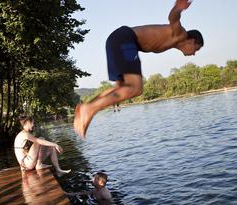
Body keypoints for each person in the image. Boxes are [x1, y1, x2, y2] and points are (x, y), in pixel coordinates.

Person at [74, 0, 204, 138]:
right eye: (196, 49)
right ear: (191, 40)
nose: (194, 53)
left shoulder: (173, 41)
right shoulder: (181, 34)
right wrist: (178, 8)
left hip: (116, 38)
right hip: (125, 39)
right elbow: (173, 18)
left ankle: (86, 107)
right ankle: (90, 109)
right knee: (136, 88)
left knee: (121, 87)